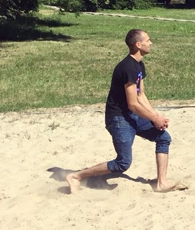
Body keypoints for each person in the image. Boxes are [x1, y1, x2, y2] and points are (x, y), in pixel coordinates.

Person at [66, 29, 186, 194]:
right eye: (148, 40)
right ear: (138, 45)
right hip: (118, 119)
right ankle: (76, 176)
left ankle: (161, 182)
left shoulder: (139, 64)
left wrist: (156, 116)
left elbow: (140, 95)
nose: (151, 43)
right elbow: (133, 104)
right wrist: (153, 117)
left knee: (163, 137)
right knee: (123, 163)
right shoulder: (127, 67)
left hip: (132, 116)